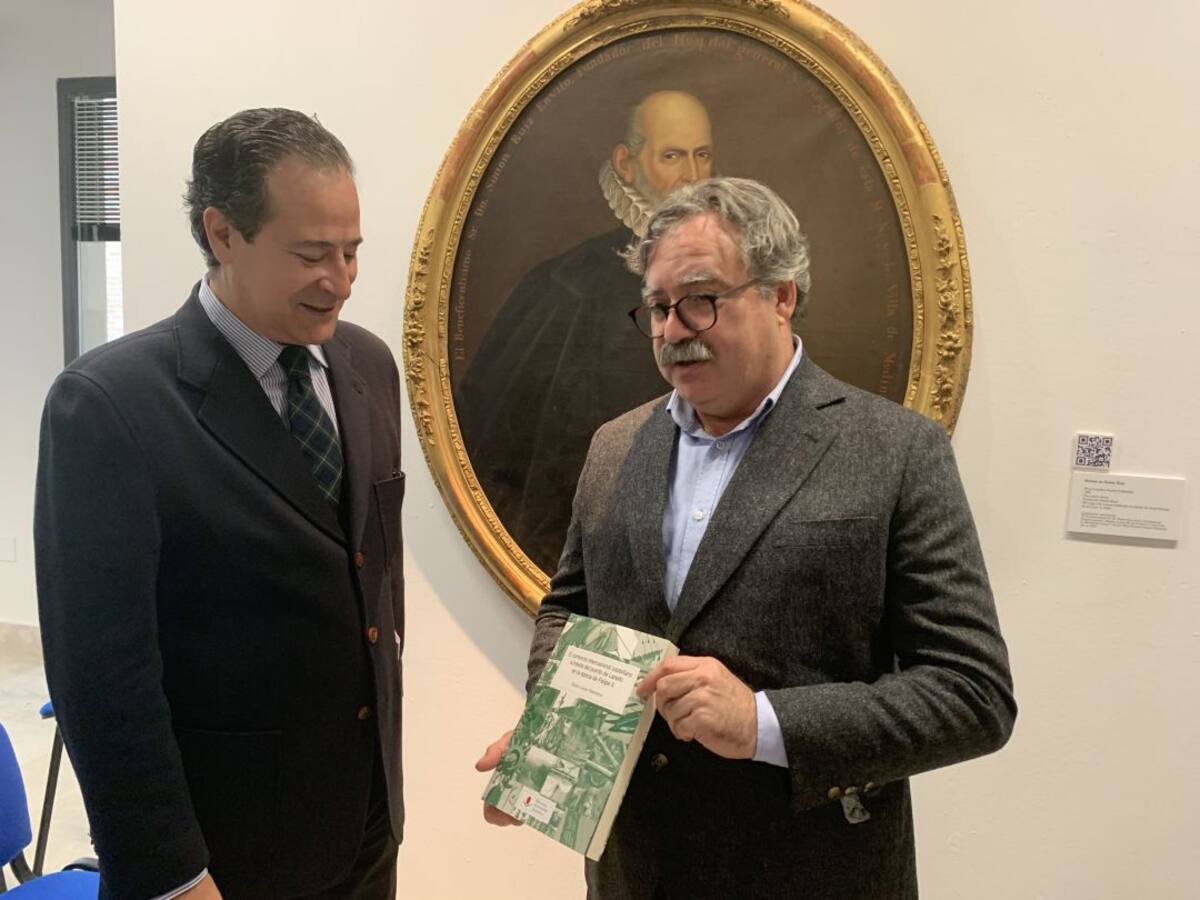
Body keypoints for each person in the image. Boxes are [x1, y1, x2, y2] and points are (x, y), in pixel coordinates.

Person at [477, 177, 1016, 899]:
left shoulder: (897, 450)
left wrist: (762, 723)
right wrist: (555, 735)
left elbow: (971, 694)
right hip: (636, 874)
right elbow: (567, 612)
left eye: (701, 299)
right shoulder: (615, 445)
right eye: (659, 307)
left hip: (812, 874)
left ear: (780, 294)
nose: (674, 330)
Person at [35, 108, 405, 900]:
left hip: (365, 832)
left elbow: (371, 578)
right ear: (223, 233)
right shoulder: (109, 404)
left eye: (351, 251)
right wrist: (172, 874)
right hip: (221, 857)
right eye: (311, 254)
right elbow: (100, 679)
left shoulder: (369, 366)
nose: (340, 279)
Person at [456, 90, 715, 573]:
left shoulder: (742, 283)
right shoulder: (564, 286)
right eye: (672, 156)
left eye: (702, 155)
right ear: (626, 164)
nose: (692, 176)